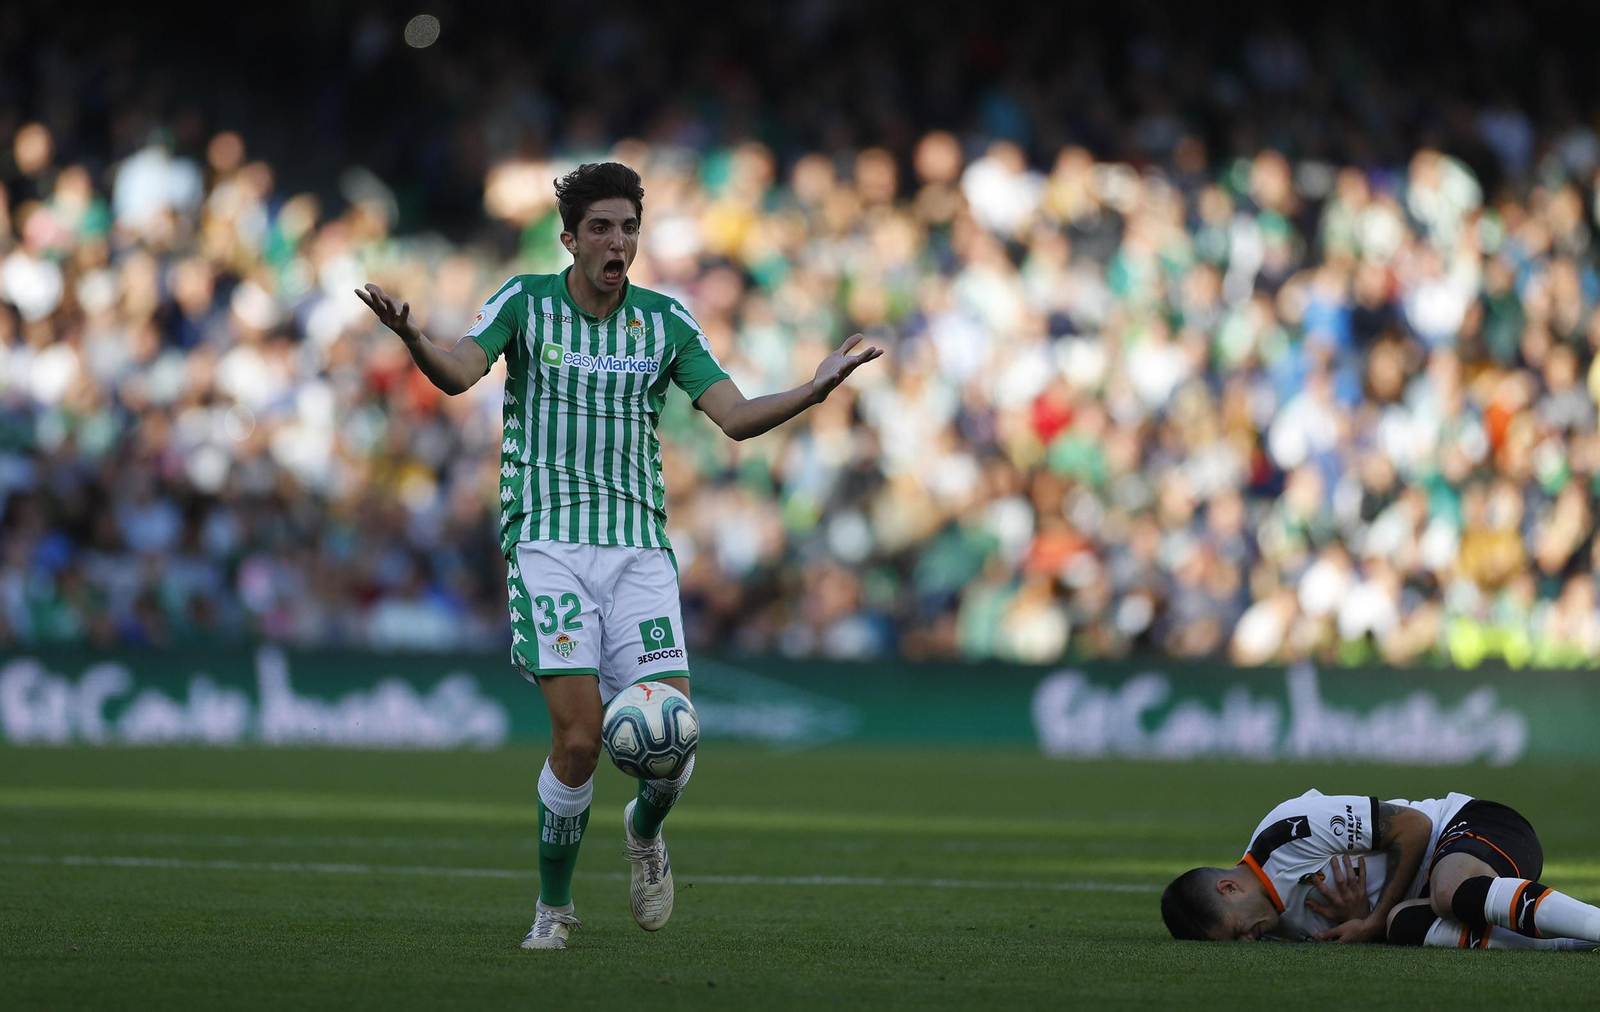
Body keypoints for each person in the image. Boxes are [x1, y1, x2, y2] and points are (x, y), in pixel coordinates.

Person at [355, 162, 883, 950]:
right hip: (548, 545)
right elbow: (460, 374)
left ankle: (644, 832)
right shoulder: (525, 303)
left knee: (670, 741)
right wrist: (412, 338)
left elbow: (734, 419)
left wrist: (812, 391)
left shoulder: (666, 322)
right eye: (601, 227)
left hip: (638, 550)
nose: (617, 241)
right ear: (569, 238)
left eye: (629, 226)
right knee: (579, 741)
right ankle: (554, 909)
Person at [1161, 789, 1600, 949]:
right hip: (1436, 892)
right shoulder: (1272, 923)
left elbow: (1415, 826)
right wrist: (1368, 922)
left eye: (1238, 932)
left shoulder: (1288, 832)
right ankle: (1571, 943)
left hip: (1474, 825)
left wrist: (1368, 921)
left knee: (1445, 896)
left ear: (1228, 889)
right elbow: (1367, 929)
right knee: (1402, 925)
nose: (1250, 941)